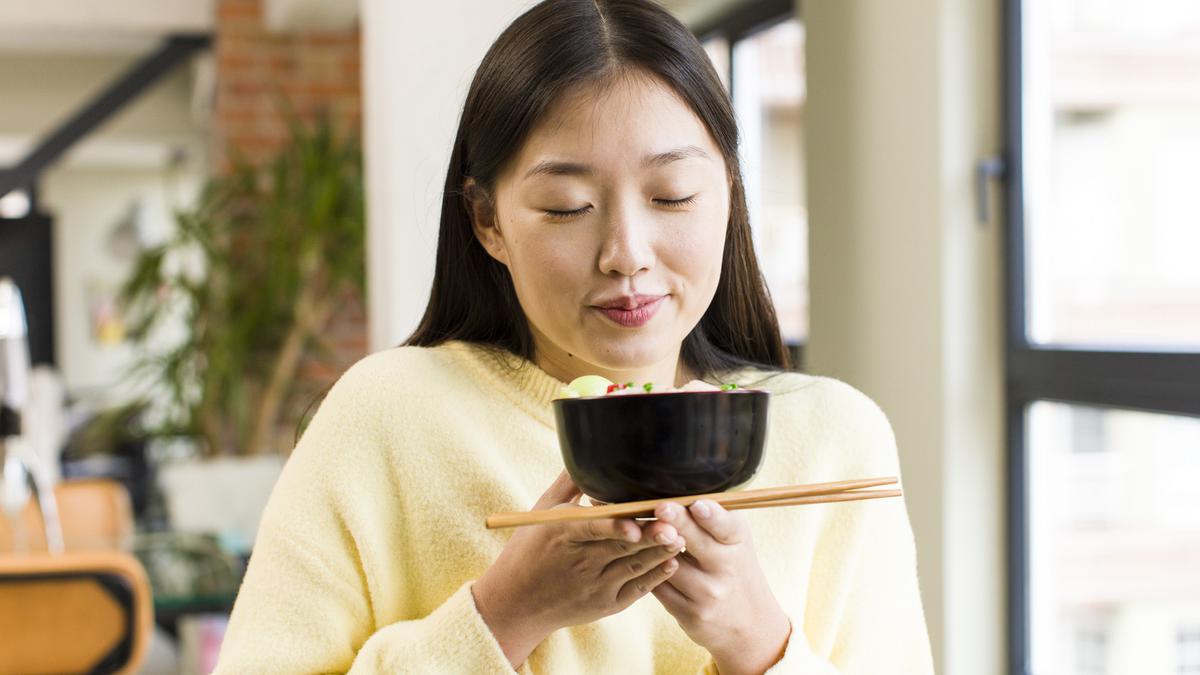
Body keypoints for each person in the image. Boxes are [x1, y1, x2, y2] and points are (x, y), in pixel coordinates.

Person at [213, 0, 934, 673]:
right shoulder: (384, 415)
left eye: (672, 196)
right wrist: (503, 613)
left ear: (730, 195)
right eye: (567, 206)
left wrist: (757, 637)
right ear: (487, 221)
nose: (626, 252)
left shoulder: (836, 436)